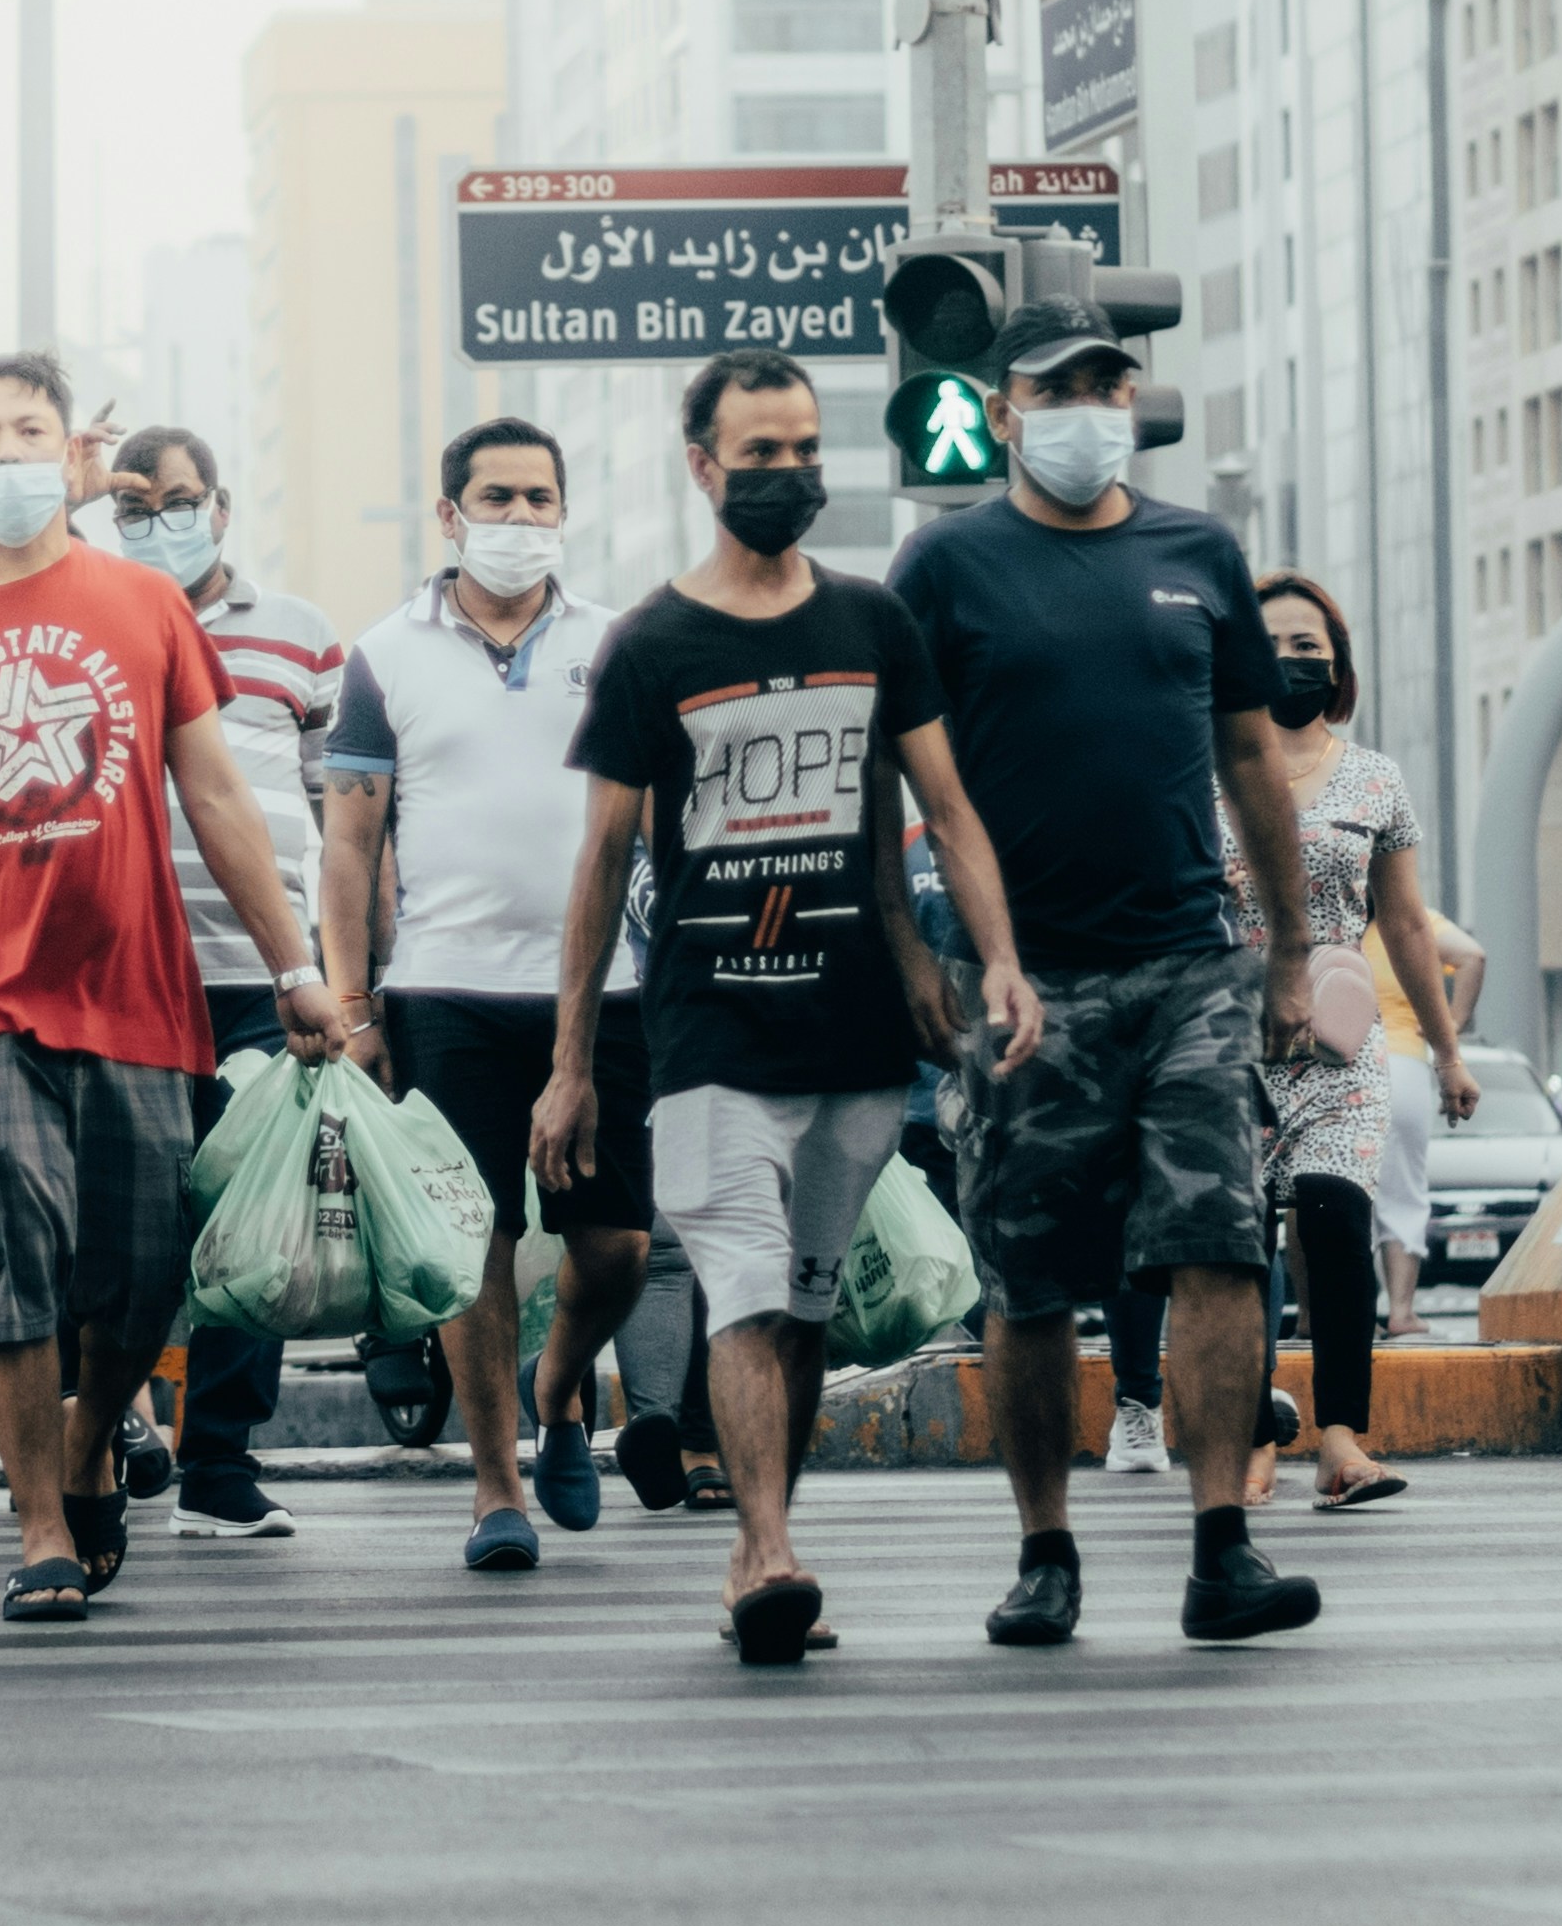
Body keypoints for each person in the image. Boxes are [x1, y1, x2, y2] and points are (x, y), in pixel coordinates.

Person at [0, 351, 345, 1625]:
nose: (7, 454)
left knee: (148, 1265)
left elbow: (215, 793)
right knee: (8, 1232)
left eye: (30, 431)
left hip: (140, 990)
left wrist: (297, 968)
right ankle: (41, 1519)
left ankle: (93, 1434)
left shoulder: (142, 604)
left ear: (73, 457)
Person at [547, 354, 1038, 1664]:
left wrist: (985, 957)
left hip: (856, 1034)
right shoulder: (650, 644)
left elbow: (938, 809)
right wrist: (571, 1065)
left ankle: (767, 1526)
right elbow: (600, 861)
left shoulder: (873, 624)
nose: (785, 477)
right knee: (748, 1289)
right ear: (703, 467)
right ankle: (764, 1554)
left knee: (806, 1305)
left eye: (803, 451)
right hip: (709, 1031)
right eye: (757, 455)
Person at [896, 304, 1339, 1653]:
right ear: (1006, 409)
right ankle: (1045, 1550)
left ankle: (1222, 1550)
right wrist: (913, 948)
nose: (1086, 408)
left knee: (1217, 1247)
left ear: (1131, 399)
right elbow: (893, 770)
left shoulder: (1197, 551)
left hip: (1192, 962)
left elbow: (1252, 759)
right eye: (1055, 388)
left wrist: (1292, 951)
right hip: (1024, 980)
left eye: (1106, 383)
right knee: (1027, 1282)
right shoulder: (945, 565)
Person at [321, 415, 655, 1574]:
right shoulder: (384, 655)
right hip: (444, 991)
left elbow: (662, 819)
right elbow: (349, 846)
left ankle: (561, 1388)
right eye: (497, 499)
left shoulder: (618, 644)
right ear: (451, 514)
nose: (521, 521)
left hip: (606, 991)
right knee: (476, 1245)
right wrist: (354, 1008)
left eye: (540, 499)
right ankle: (496, 1483)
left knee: (615, 1246)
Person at [99, 420, 336, 1540]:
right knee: (131, 1216)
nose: (159, 526)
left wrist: (339, 972)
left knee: (259, 1216)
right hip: (120, 970)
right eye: (133, 510)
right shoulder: (88, 615)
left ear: (223, 505)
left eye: (179, 501)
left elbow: (344, 814)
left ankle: (224, 1461)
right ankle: (114, 1420)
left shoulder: (299, 638)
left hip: (260, 969)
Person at [1244, 571, 1476, 1511]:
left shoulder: (1376, 778)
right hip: (1225, 1046)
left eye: (1311, 647)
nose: (1294, 660)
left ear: (1337, 664)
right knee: (1228, 1250)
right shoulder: (1203, 763)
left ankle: (1340, 1441)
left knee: (1337, 1223)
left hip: (1342, 1051)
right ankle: (1249, 1436)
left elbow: (1411, 926)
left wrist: (1450, 1052)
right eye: (1273, 644)